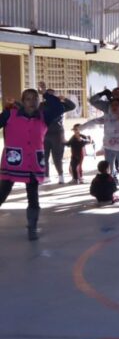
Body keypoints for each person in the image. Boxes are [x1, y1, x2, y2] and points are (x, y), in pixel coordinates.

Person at [0, 85, 64, 240]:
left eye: (35, 98)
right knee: (3, 192)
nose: (32, 101)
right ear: (22, 101)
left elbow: (59, 108)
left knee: (33, 196)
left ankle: (32, 226)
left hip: (33, 162)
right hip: (14, 161)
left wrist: (47, 94)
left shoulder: (44, 116)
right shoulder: (10, 114)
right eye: (28, 98)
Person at [80, 97, 119, 198]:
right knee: (109, 170)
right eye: (112, 105)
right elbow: (94, 121)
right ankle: (111, 189)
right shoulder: (107, 117)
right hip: (109, 147)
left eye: (117, 105)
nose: (114, 107)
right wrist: (81, 127)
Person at [41, 90, 76, 184]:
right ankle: (46, 176)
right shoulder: (41, 105)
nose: (51, 96)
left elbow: (73, 106)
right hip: (44, 133)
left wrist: (64, 99)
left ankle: (60, 176)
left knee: (57, 156)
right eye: (49, 95)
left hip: (57, 134)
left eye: (53, 95)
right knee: (44, 156)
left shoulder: (60, 105)